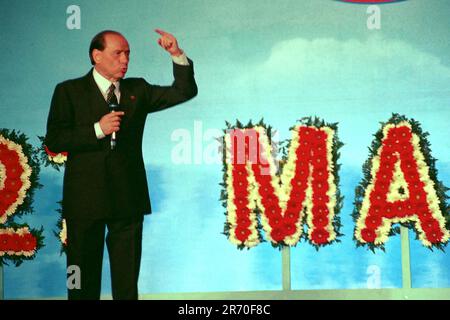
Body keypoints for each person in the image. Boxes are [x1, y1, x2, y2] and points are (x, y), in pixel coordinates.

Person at [45, 29, 198, 300]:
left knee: (127, 285)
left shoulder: (137, 90)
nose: (125, 59)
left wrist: (176, 54)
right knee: (80, 281)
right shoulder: (69, 91)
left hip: (127, 199)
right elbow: (55, 140)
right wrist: (97, 129)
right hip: (85, 202)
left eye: (128, 53)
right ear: (97, 56)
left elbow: (184, 91)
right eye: (118, 53)